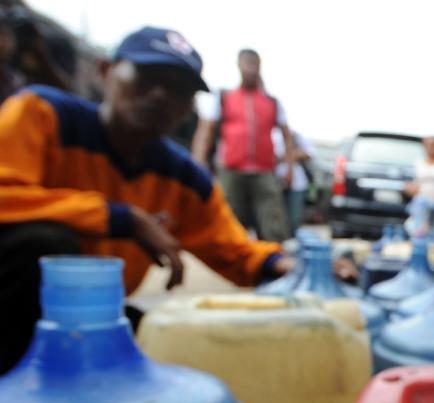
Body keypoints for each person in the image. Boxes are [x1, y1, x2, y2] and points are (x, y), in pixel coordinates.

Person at [0, 26, 294, 374]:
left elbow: (234, 251)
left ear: (188, 107)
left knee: (152, 341)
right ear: (106, 71)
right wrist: (120, 218)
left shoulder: (183, 179)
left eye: (178, 90)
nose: (160, 95)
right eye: (147, 77)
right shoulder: (42, 114)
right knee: (44, 241)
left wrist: (282, 265)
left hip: (95, 313)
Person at [191, 48, 293, 241]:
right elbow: (206, 130)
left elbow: (287, 135)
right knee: (230, 222)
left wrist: (290, 167)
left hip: (264, 171)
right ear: (239, 66)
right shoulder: (224, 97)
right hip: (231, 170)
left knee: (273, 222)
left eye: (254, 64)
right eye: (247, 64)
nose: (251, 69)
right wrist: (199, 162)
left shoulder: (271, 102)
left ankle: (275, 264)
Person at [272, 127, 315, 232]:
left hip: (296, 185)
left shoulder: (295, 135)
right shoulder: (273, 135)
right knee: (275, 217)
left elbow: (311, 153)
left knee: (293, 219)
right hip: (276, 182)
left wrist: (289, 156)